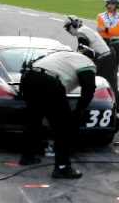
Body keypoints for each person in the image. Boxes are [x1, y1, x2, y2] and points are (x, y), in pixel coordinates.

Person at [18, 51, 97, 179]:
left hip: (29, 76)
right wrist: (78, 112)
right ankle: (62, 167)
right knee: (64, 128)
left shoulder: (65, 56)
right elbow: (89, 88)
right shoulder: (88, 63)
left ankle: (27, 156)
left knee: (34, 120)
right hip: (49, 81)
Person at [63, 15, 119, 110]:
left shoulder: (81, 33)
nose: (68, 31)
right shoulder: (84, 30)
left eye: (68, 28)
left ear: (74, 24)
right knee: (108, 86)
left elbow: (83, 52)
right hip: (106, 58)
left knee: (107, 87)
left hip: (104, 60)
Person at [96, 0, 119, 97]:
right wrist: (113, 31)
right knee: (100, 68)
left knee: (114, 70)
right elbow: (100, 31)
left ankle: (114, 91)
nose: (109, 5)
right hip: (103, 43)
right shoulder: (100, 16)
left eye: (112, 3)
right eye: (108, 3)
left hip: (115, 45)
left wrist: (107, 29)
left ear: (117, 5)